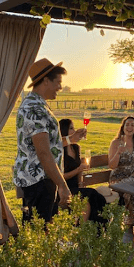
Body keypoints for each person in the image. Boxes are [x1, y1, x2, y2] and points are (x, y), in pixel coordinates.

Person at [13, 58, 85, 224]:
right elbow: (44, 152)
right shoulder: (34, 109)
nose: (60, 87)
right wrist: (63, 185)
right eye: (58, 82)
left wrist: (70, 139)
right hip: (39, 181)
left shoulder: (38, 104)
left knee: (42, 233)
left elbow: (47, 143)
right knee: (40, 233)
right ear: (45, 81)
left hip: (43, 180)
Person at [54, 118, 107, 224]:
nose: (74, 131)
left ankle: (96, 230)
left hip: (75, 187)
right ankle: (84, 230)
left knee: (96, 197)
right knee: (91, 196)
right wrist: (78, 169)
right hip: (64, 189)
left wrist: (80, 182)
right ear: (63, 130)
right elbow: (60, 176)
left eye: (74, 128)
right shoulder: (59, 150)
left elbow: (79, 170)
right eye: (71, 128)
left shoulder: (76, 147)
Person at [108, 116, 134, 230]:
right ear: (123, 128)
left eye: (132, 125)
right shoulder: (116, 143)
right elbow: (112, 165)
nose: (130, 127)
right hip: (118, 178)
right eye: (127, 125)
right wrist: (118, 153)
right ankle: (130, 219)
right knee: (130, 191)